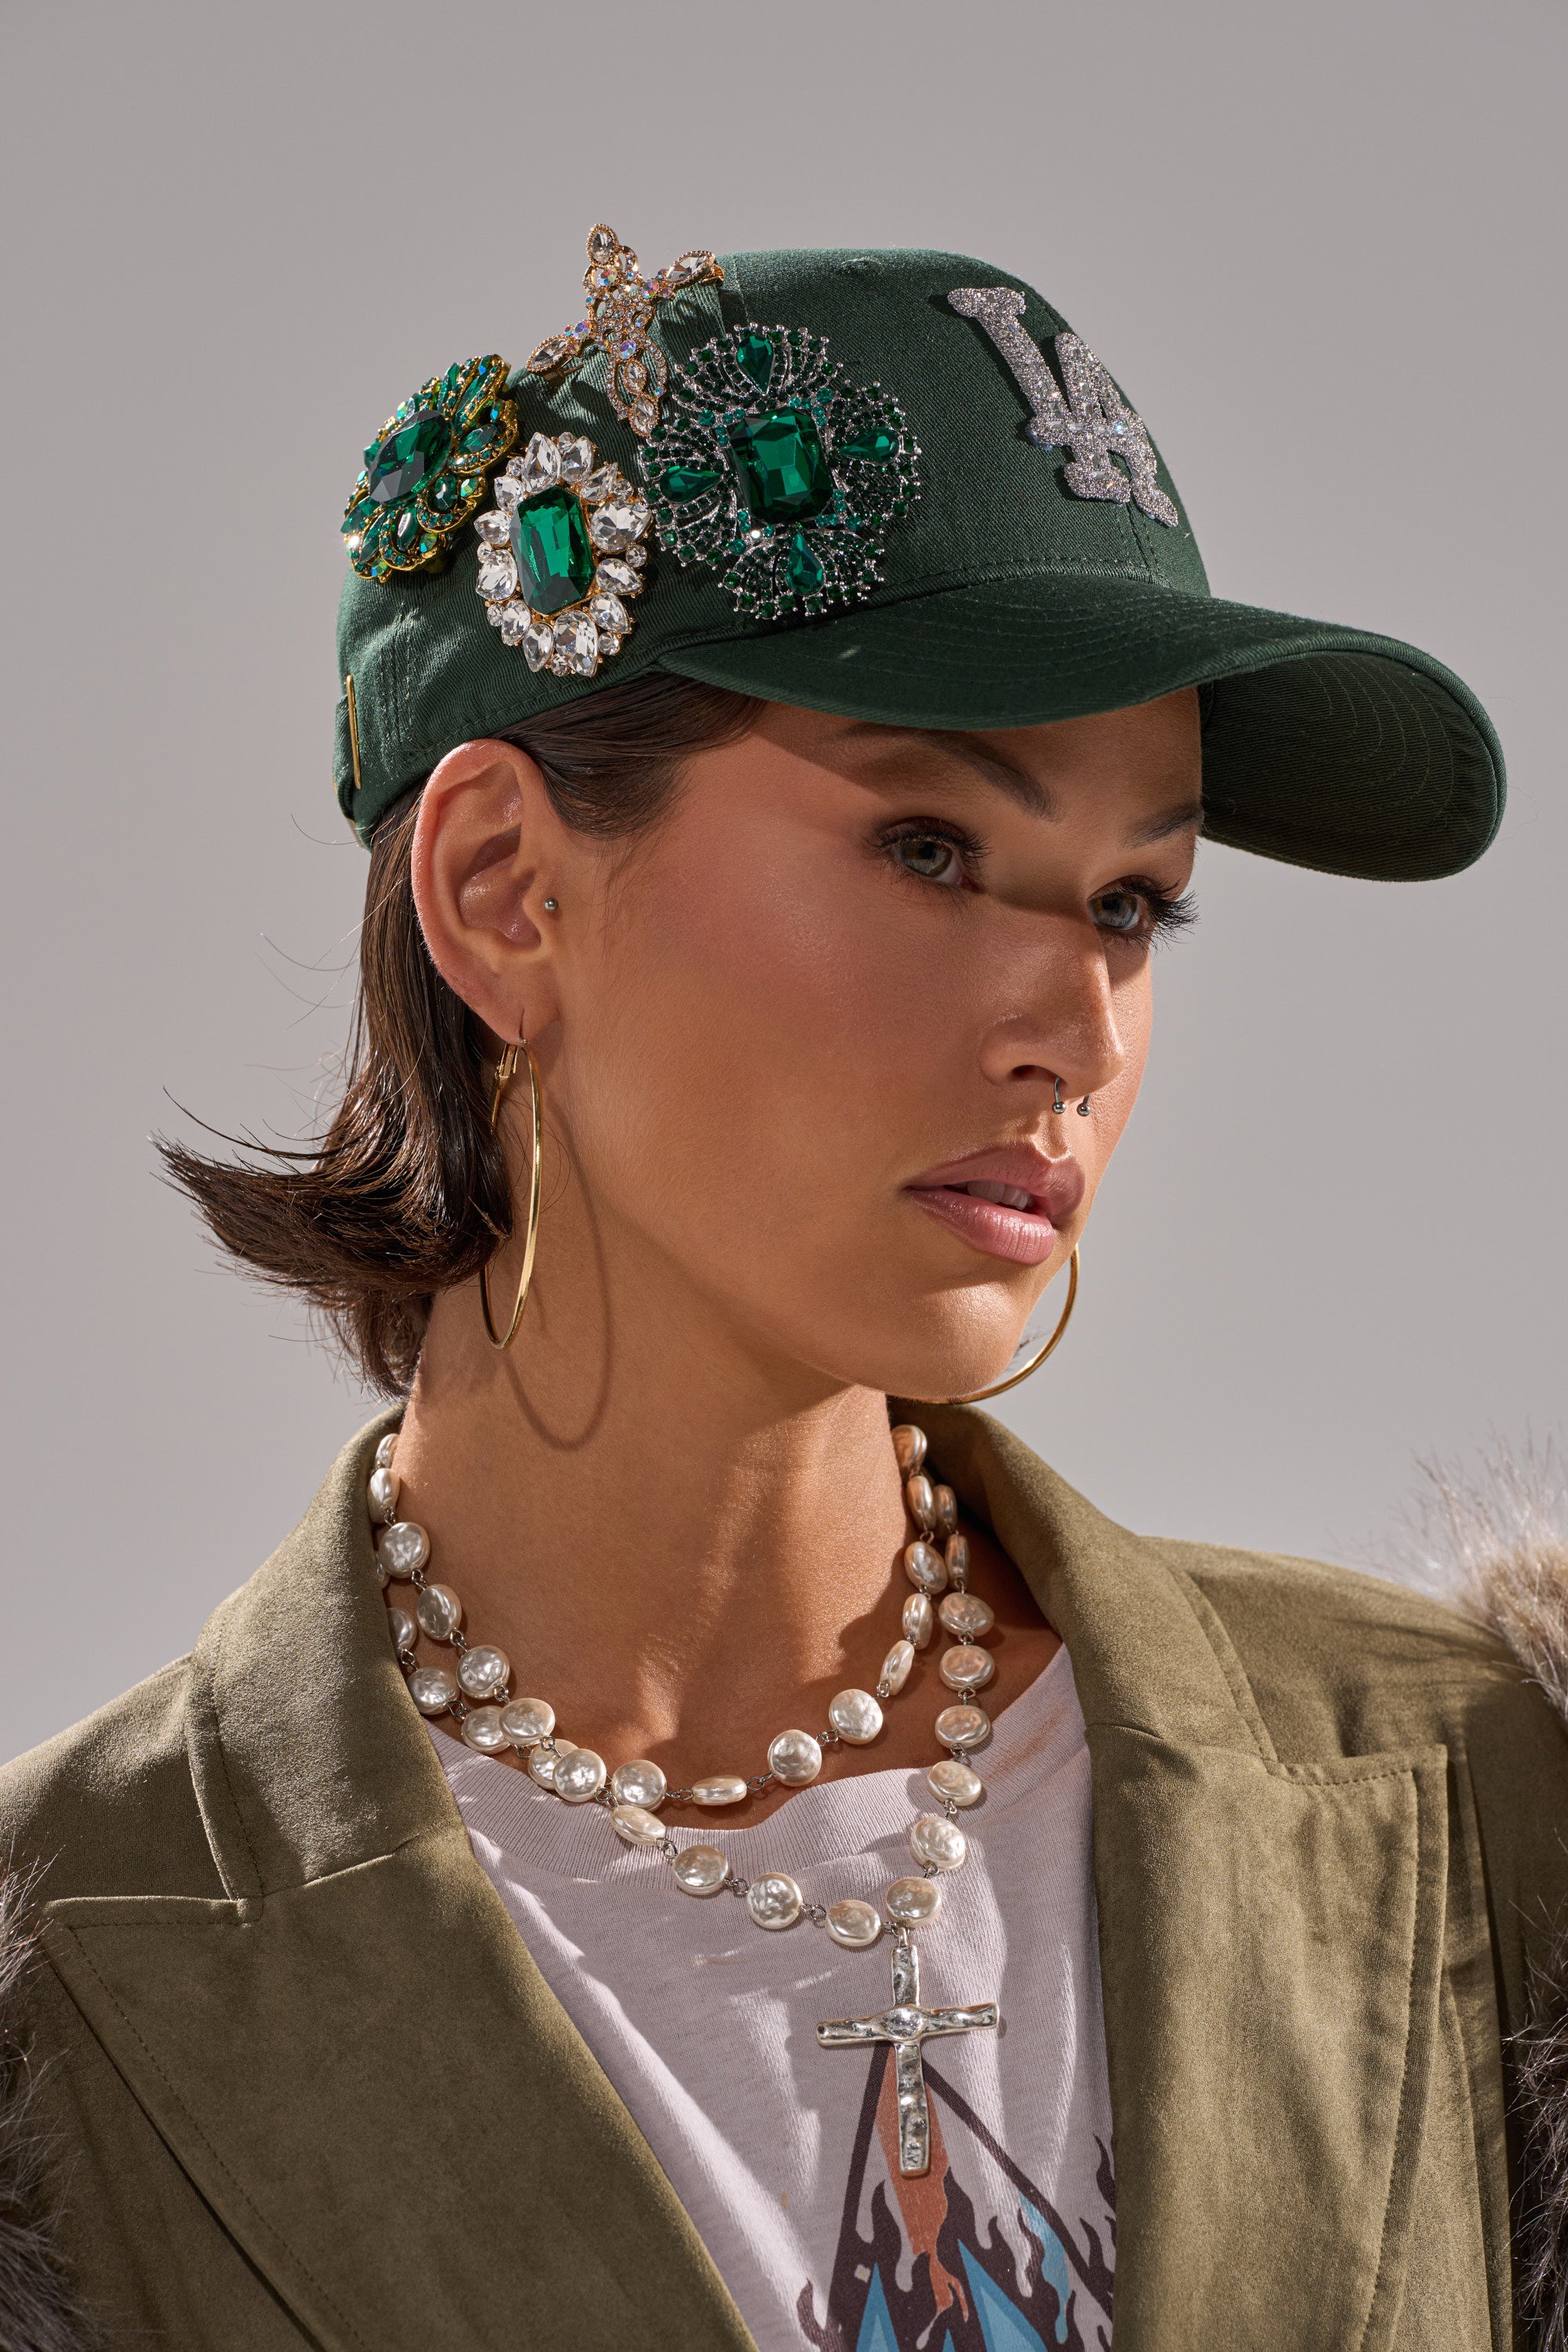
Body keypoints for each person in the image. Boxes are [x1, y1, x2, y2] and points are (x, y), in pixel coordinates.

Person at [2, 225, 1564, 2352]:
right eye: (928, 848)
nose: (1076, 1027)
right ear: (501, 888)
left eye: (1133, 904)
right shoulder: (67, 1975)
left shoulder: (1479, 1791)